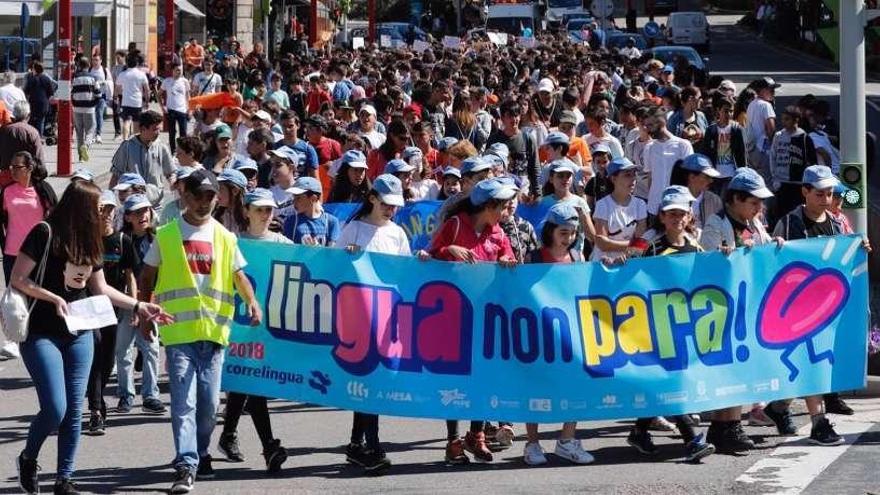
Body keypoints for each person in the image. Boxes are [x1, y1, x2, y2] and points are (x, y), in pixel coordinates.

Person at [13, 180, 171, 495]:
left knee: (74, 411)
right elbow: (18, 278)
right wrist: (51, 297)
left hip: (80, 332)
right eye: (100, 208)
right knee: (55, 408)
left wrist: (140, 305)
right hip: (41, 333)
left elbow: (101, 289)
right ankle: (28, 457)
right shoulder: (44, 233)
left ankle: (64, 479)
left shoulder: (93, 240)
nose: (108, 214)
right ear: (82, 209)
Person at [137, 169, 261, 494]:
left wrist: (252, 302)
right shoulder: (165, 234)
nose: (205, 201)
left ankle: (202, 449)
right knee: (184, 404)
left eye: (211, 195)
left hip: (215, 334)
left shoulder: (225, 236)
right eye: (199, 195)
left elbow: (239, 276)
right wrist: (144, 311)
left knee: (208, 406)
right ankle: (186, 463)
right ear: (185, 197)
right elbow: (147, 275)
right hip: (178, 334)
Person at [767, 165, 870, 444]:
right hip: (795, 308)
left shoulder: (837, 224)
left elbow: (843, 261)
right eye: (820, 193)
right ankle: (818, 422)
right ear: (805, 192)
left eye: (829, 193)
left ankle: (778, 407)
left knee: (809, 365)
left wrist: (859, 250)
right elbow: (772, 264)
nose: (826, 199)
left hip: (827, 307)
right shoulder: (788, 223)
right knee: (812, 363)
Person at [429, 177, 519, 464]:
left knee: (484, 376)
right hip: (454, 314)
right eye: (502, 205)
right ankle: (453, 441)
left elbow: (510, 259)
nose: (506, 210)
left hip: (486, 315)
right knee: (456, 378)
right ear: (488, 206)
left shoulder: (499, 233)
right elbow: (427, 258)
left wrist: (507, 261)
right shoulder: (455, 225)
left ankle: (476, 435)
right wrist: (449, 250)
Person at [624, 186, 717, 462]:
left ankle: (640, 430)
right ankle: (691, 438)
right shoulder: (653, 247)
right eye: (671, 213)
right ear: (662, 217)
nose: (677, 218)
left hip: (686, 325)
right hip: (659, 325)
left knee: (669, 381)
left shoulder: (696, 246)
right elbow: (637, 280)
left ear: (689, 216)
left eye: (681, 213)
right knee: (671, 380)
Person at [338, 174, 419, 474]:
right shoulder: (354, 229)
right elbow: (334, 266)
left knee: (373, 381)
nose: (390, 210)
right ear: (372, 198)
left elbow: (405, 273)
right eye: (386, 203)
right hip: (359, 316)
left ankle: (357, 443)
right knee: (369, 379)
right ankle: (371, 444)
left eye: (394, 205)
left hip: (387, 316)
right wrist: (347, 259)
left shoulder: (397, 233)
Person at [700, 167, 780, 453]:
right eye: (754, 201)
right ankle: (728, 426)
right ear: (734, 199)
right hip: (722, 308)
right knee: (729, 368)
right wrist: (723, 253)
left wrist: (776, 246)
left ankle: (723, 428)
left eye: (761, 202)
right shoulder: (716, 222)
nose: (759, 207)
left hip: (748, 307)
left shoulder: (756, 225)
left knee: (739, 367)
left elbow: (766, 253)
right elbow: (708, 258)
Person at [522, 202, 595, 467]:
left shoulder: (577, 258)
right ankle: (532, 443)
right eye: (563, 233)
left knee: (576, 382)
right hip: (538, 333)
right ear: (551, 231)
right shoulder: (534, 258)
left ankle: (567, 439)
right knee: (535, 385)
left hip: (570, 334)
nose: (569, 239)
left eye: (573, 233)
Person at [84, 192, 140, 435]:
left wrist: (135, 305)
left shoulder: (122, 240)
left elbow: (131, 275)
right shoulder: (85, 242)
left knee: (107, 361)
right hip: (87, 308)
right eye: (101, 210)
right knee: (94, 356)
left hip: (113, 309)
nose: (105, 215)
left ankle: (97, 398)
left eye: (109, 210)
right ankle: (96, 410)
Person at [0, 151, 56, 361]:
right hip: (13, 251)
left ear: (29, 168)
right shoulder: (7, 192)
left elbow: (55, 218)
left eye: (17, 167)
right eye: (11, 167)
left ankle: (40, 333)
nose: (12, 171)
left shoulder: (43, 190)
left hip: (40, 254)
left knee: (38, 293)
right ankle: (13, 339)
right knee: (14, 298)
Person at [116, 194, 165, 416]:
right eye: (136, 212)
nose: (142, 215)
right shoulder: (122, 240)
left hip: (151, 300)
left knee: (151, 348)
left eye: (145, 210)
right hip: (127, 301)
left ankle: (150, 395)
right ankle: (126, 395)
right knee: (124, 350)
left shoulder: (158, 239)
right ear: (127, 217)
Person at [109, 110, 176, 207]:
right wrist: (110, 197)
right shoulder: (127, 146)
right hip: (133, 204)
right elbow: (116, 174)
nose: (158, 132)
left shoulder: (161, 146)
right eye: (155, 129)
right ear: (143, 128)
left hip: (155, 203)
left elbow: (170, 173)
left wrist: (174, 183)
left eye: (159, 129)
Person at [590, 157, 647, 262]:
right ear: (613, 179)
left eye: (634, 174)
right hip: (604, 263)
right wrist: (632, 244)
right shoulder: (602, 205)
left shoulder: (641, 204)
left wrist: (613, 244)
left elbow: (640, 244)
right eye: (627, 175)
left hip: (629, 262)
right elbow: (602, 244)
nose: (633, 179)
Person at [643, 107, 694, 217]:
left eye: (650, 125)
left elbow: (690, 177)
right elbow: (650, 177)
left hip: (678, 206)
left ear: (661, 123)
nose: (647, 129)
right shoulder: (649, 148)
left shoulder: (683, 145)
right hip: (654, 207)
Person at [768, 105, 817, 223]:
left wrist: (808, 183)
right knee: (781, 214)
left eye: (787, 119)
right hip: (782, 183)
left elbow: (812, 162)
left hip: (798, 184)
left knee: (797, 214)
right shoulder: (778, 136)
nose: (783, 122)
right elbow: (772, 157)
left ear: (796, 120)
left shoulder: (804, 138)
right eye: (783, 119)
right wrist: (775, 178)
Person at [487, 100, 540, 198]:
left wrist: (537, 192)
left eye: (516, 115)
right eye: (509, 116)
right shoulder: (494, 139)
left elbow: (535, 167)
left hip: (523, 189)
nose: (514, 119)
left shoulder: (527, 138)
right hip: (500, 189)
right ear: (502, 118)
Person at [700, 95, 746, 188]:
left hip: (731, 174)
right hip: (714, 174)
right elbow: (705, 153)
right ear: (718, 110)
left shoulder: (736, 130)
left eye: (731, 111)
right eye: (726, 111)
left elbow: (742, 153)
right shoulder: (711, 130)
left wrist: (742, 172)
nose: (729, 114)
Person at [668, 153, 722, 232]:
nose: (711, 180)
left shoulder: (715, 201)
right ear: (692, 177)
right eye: (707, 176)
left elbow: (721, 229)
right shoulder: (671, 201)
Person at [283, 176, 341, 246]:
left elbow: (331, 253)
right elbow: (286, 250)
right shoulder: (291, 221)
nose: (294, 202)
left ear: (313, 199)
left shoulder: (331, 222)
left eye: (298, 198)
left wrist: (317, 250)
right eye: (294, 197)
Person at [746, 77, 780, 183]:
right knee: (767, 182)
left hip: (751, 150)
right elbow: (771, 129)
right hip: (764, 150)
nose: (773, 92)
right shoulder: (766, 105)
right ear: (762, 90)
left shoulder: (752, 104)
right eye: (771, 90)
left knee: (755, 182)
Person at [71, 56, 102, 161]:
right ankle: (86, 145)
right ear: (89, 65)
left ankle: (80, 156)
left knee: (79, 132)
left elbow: (70, 92)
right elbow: (98, 94)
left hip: (77, 108)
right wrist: (93, 103)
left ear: (79, 66)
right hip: (89, 108)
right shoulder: (93, 78)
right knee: (91, 129)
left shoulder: (75, 77)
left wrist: (74, 103)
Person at [115, 53, 151, 140]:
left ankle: (125, 140)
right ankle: (135, 142)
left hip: (126, 101)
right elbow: (147, 89)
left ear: (127, 63)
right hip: (137, 102)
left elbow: (117, 88)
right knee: (136, 123)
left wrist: (115, 98)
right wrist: (147, 101)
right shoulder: (141, 74)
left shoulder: (122, 74)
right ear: (137, 63)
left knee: (126, 122)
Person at [0, 101, 44, 169]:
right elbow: (38, 157)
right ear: (28, 115)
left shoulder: (4, 130)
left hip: (6, 171)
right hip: (25, 173)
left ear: (14, 114)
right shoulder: (32, 132)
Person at [160, 63, 191, 153]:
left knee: (183, 133)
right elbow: (159, 94)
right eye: (177, 70)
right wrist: (162, 106)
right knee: (172, 132)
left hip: (182, 110)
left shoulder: (185, 81)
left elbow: (188, 96)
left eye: (180, 70)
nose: (179, 72)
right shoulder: (167, 81)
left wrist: (190, 109)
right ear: (172, 70)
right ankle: (173, 151)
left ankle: (183, 150)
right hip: (171, 110)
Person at [23, 61, 56, 138]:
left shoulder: (31, 79)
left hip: (33, 103)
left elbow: (26, 91)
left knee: (31, 121)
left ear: (35, 69)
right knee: (41, 121)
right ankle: (39, 138)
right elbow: (51, 92)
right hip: (44, 103)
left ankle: (31, 137)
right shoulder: (46, 79)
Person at [89, 54, 114, 144]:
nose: (95, 62)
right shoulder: (89, 70)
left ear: (100, 61)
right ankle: (92, 134)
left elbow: (110, 82)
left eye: (97, 60)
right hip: (91, 96)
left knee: (99, 114)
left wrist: (103, 83)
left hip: (101, 96)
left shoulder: (104, 70)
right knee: (92, 115)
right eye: (93, 60)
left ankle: (98, 134)